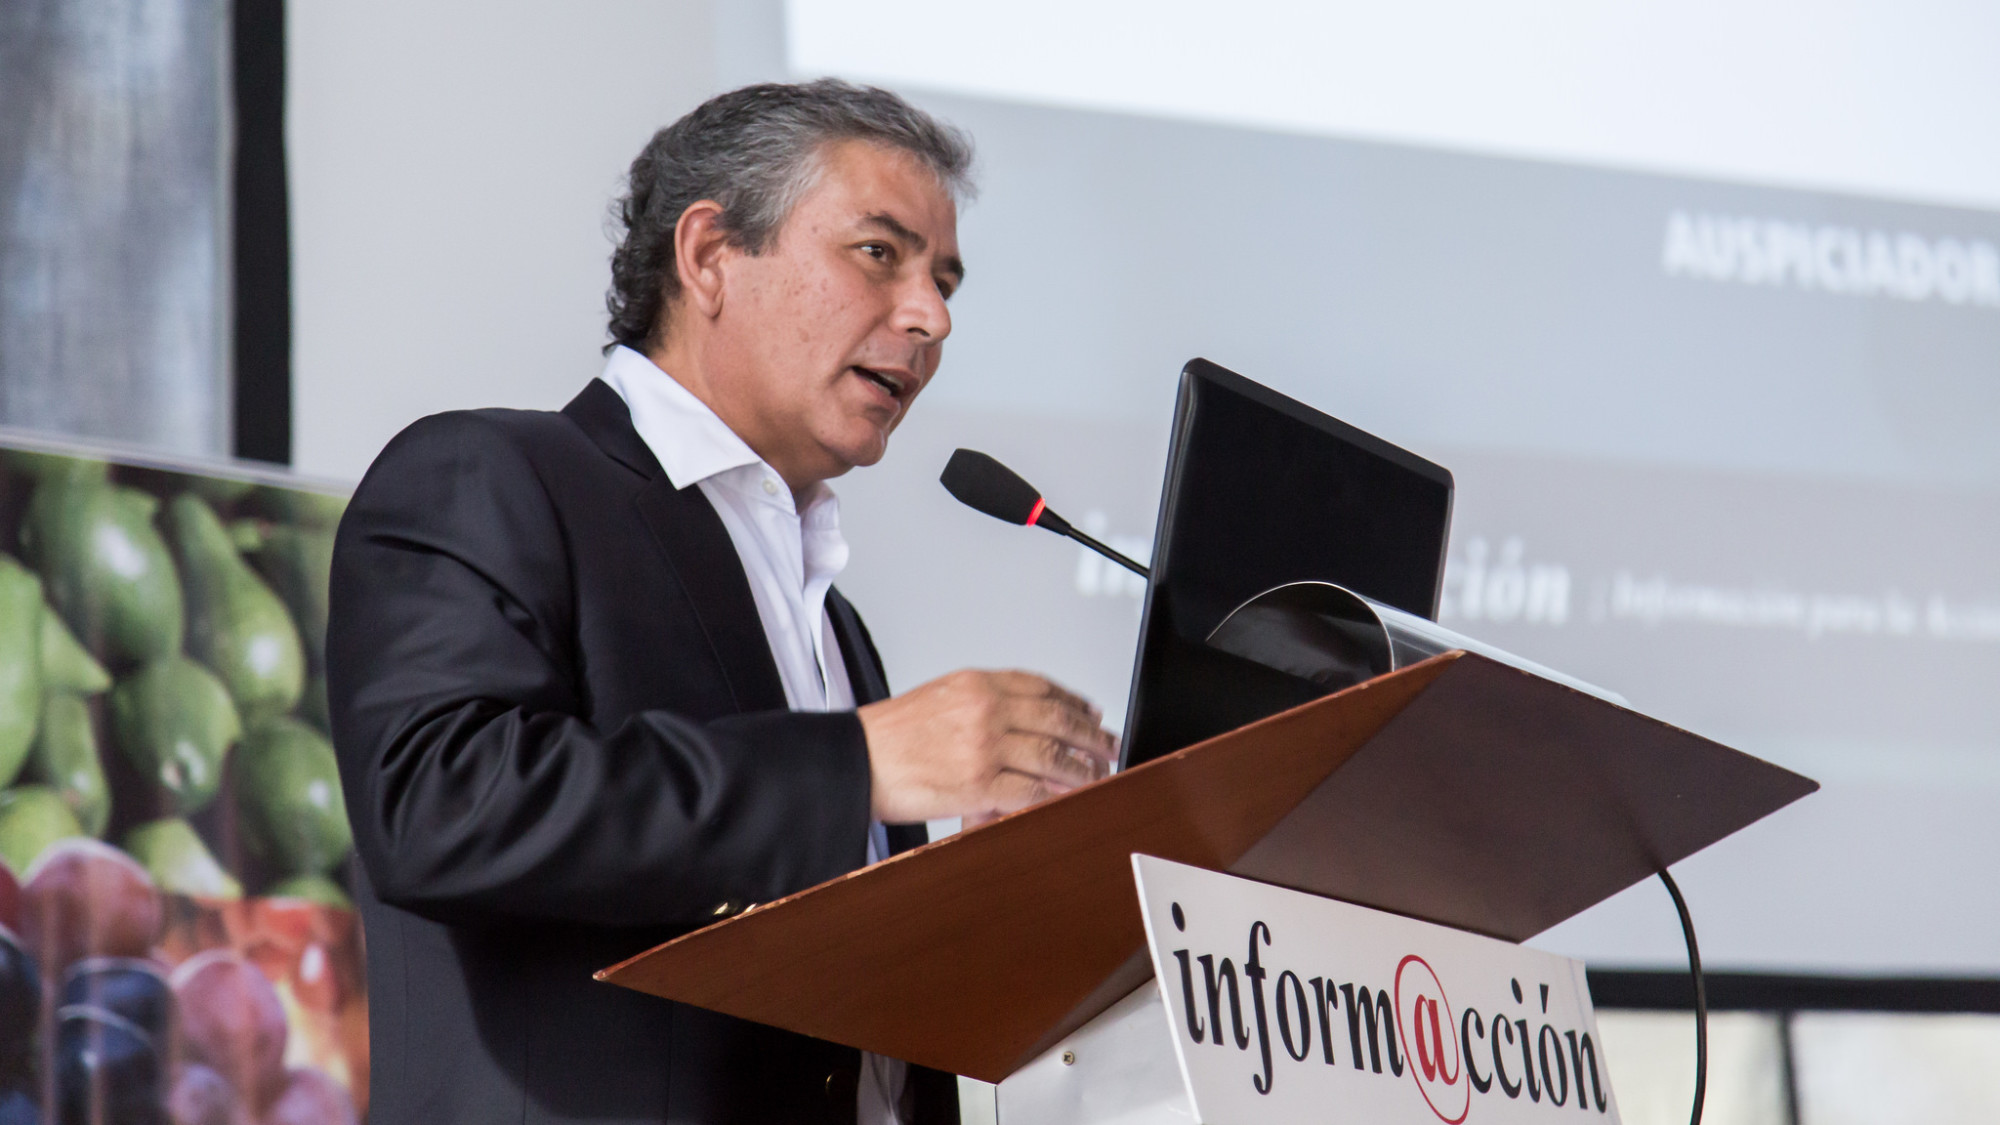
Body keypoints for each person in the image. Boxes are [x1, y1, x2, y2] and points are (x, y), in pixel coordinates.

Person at [326, 80, 1117, 1125]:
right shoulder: (494, 474)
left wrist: (976, 885)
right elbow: (439, 808)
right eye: (878, 253)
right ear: (708, 256)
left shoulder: (835, 623)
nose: (930, 317)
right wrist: (860, 765)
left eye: (943, 281)